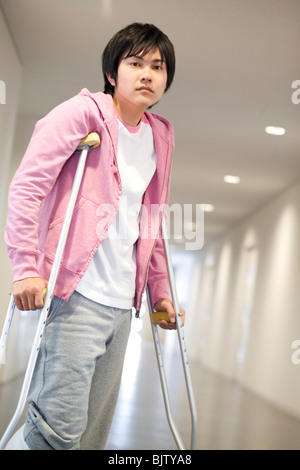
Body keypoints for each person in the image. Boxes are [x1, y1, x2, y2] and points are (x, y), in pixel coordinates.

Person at [4, 22, 184, 450]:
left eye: (157, 67)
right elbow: (27, 187)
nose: (146, 74)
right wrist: (25, 266)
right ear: (111, 72)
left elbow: (150, 221)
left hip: (122, 306)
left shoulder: (160, 136)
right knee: (58, 430)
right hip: (77, 295)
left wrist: (158, 293)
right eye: (135, 63)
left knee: (91, 437)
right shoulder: (82, 113)